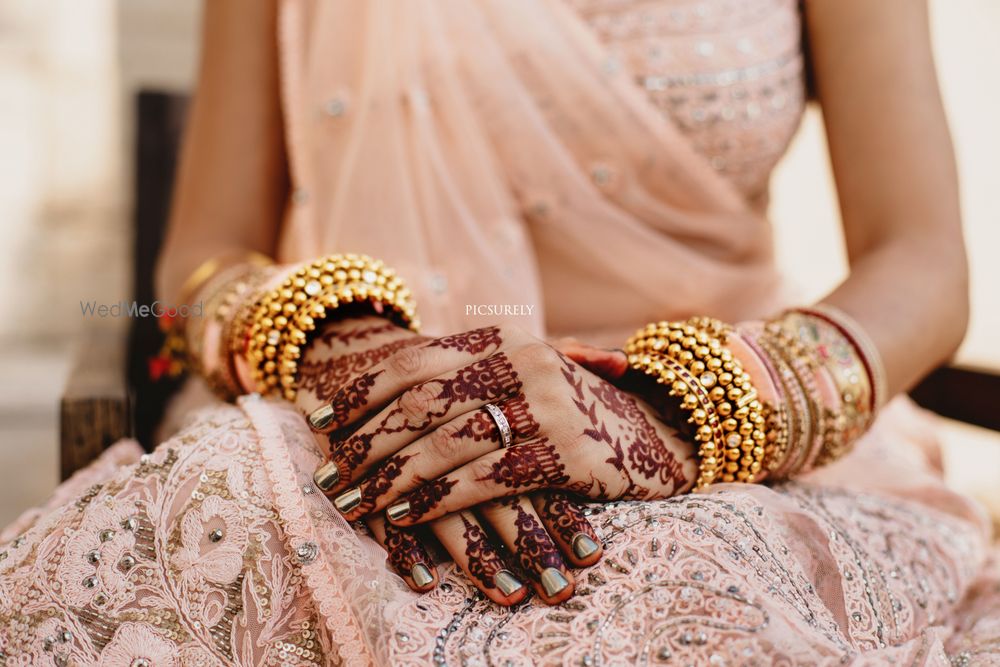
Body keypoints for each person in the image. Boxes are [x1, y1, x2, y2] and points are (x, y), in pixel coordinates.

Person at [2, 0, 998, 664]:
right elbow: (205, 256)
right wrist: (352, 354)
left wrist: (663, 411)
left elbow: (922, 259)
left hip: (718, 444)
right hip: (361, 420)